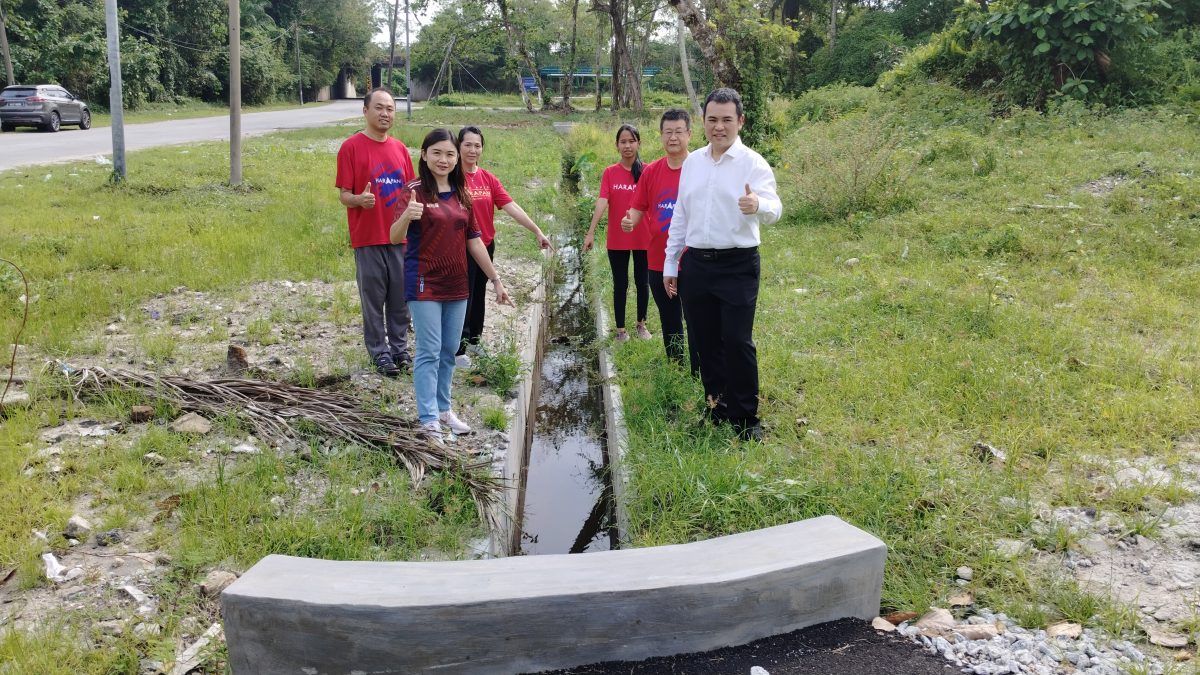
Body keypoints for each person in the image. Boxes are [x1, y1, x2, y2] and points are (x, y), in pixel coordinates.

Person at [663, 88, 782, 442]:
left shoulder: (753, 163)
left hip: (738, 263)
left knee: (737, 339)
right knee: (705, 339)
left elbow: (776, 208)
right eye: (712, 120)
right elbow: (680, 215)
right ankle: (716, 405)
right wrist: (671, 263)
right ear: (702, 123)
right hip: (696, 264)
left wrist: (756, 204)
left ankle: (746, 417)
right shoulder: (693, 163)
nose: (719, 127)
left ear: (740, 121)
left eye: (727, 120)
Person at [390, 128, 512, 443]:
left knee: (448, 349)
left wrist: (496, 280)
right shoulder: (414, 191)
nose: (444, 160)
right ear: (424, 155)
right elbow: (393, 236)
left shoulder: (462, 194)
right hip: (424, 283)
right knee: (429, 351)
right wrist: (407, 216)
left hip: (458, 285)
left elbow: (474, 240)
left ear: (456, 158)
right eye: (437, 153)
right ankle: (428, 418)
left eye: (449, 154)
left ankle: (444, 409)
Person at [454, 125, 553, 369]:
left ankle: (475, 339)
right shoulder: (452, 178)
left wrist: (536, 230)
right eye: (467, 144)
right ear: (458, 146)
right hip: (459, 249)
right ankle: (457, 351)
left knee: (478, 295)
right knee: (462, 297)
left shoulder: (487, 178)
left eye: (477, 145)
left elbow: (511, 206)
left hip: (485, 245)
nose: (472, 150)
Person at [335, 88, 415, 378]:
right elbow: (344, 195)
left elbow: (410, 191)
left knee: (400, 298)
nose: (385, 114)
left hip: (399, 237)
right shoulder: (351, 148)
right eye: (379, 108)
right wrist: (359, 200)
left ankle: (399, 349)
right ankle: (379, 353)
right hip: (368, 237)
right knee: (372, 300)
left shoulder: (401, 149)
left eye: (390, 109)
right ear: (365, 111)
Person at [620, 109, 698, 373]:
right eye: (668, 132)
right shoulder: (651, 172)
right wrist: (630, 220)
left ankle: (700, 370)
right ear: (661, 136)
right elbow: (638, 208)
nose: (673, 137)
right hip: (659, 259)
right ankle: (676, 368)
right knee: (669, 317)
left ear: (689, 133)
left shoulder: (700, 169)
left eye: (678, 131)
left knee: (697, 319)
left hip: (695, 260)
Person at [583, 124, 650, 342]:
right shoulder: (610, 173)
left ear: (638, 143)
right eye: (623, 141)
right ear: (617, 145)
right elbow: (603, 201)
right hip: (618, 238)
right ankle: (621, 330)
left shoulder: (647, 171)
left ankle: (641, 324)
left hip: (644, 237)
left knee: (643, 282)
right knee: (620, 283)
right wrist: (591, 232)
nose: (627, 146)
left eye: (631, 141)